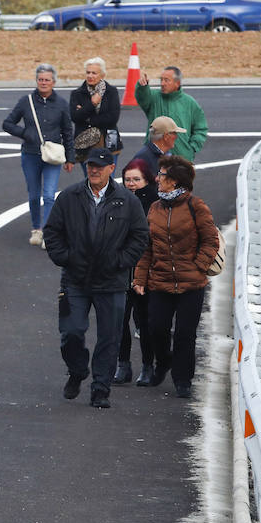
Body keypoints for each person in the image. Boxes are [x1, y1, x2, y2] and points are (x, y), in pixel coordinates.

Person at [42, 149, 149, 409]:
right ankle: (77, 370)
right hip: (75, 279)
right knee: (71, 332)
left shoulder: (127, 201)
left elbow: (140, 237)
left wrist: (121, 261)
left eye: (100, 166)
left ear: (112, 168)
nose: (94, 170)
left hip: (111, 281)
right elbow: (52, 231)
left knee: (109, 338)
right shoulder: (70, 197)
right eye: (91, 166)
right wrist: (66, 257)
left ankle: (100, 389)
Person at [132, 155, 220, 397]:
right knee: (155, 328)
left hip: (192, 283)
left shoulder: (196, 206)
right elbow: (147, 247)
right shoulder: (154, 208)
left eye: (161, 175)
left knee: (185, 333)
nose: (157, 179)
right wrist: (140, 278)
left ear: (175, 181)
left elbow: (211, 240)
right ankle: (164, 362)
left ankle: (183, 379)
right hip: (160, 281)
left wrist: (198, 267)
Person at [3, 63, 75, 248]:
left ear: (54, 82)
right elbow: (7, 123)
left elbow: (68, 131)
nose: (43, 83)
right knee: (34, 195)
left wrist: (70, 158)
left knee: (49, 195)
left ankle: (47, 232)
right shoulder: (25, 101)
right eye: (40, 79)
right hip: (30, 155)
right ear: (36, 81)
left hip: (53, 156)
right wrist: (25, 134)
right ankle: (36, 229)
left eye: (47, 80)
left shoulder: (61, 104)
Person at [114, 158, 157, 385]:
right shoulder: (117, 200)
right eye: (128, 179)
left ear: (146, 179)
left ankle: (148, 366)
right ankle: (123, 365)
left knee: (145, 322)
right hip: (121, 270)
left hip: (146, 272)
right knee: (119, 320)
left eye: (136, 179)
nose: (131, 184)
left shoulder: (156, 202)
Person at [135, 65, 207, 159]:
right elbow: (142, 98)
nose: (162, 83)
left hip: (182, 157)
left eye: (166, 80)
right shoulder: (153, 97)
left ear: (177, 83)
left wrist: (192, 147)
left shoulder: (189, 103)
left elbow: (200, 128)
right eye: (161, 80)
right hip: (155, 157)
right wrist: (142, 87)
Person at [69, 57, 122, 162]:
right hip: (85, 145)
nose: (90, 76)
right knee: (89, 177)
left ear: (102, 75)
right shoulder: (77, 93)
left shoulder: (111, 92)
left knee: (107, 177)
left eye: (94, 73)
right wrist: (92, 104)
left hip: (108, 143)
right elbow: (75, 117)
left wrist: (88, 118)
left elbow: (113, 118)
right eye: (88, 72)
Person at [125, 115, 183, 179]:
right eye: (174, 133)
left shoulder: (166, 154)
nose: (176, 137)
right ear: (166, 136)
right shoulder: (142, 158)